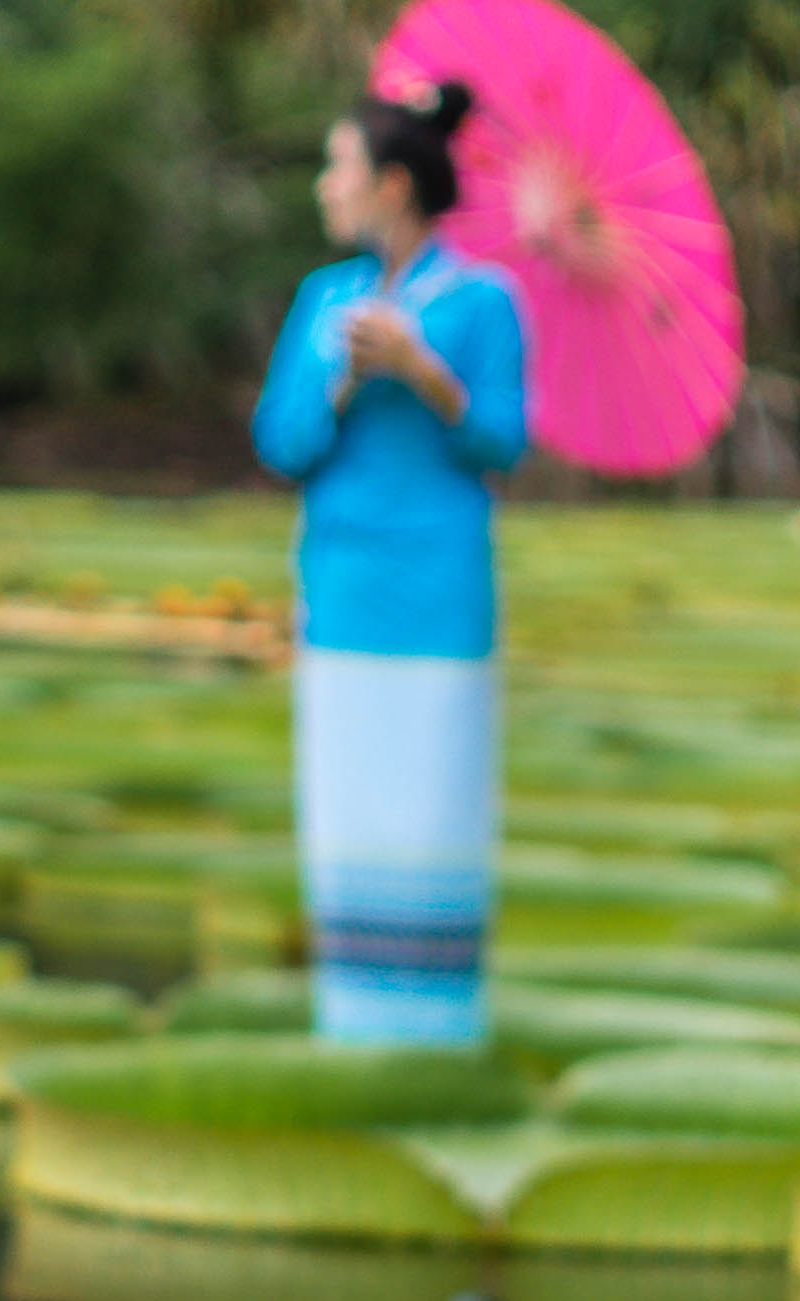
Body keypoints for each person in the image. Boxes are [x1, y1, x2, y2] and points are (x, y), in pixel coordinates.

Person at [253, 80, 530, 1046]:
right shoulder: (323, 301)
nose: (327, 188)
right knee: (349, 816)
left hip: (441, 597)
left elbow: (503, 442)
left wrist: (424, 374)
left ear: (396, 185)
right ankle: (353, 1026)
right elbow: (281, 446)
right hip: (343, 591)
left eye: (340, 168)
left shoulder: (483, 302)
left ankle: (439, 1036)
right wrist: (341, 377)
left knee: (433, 815)